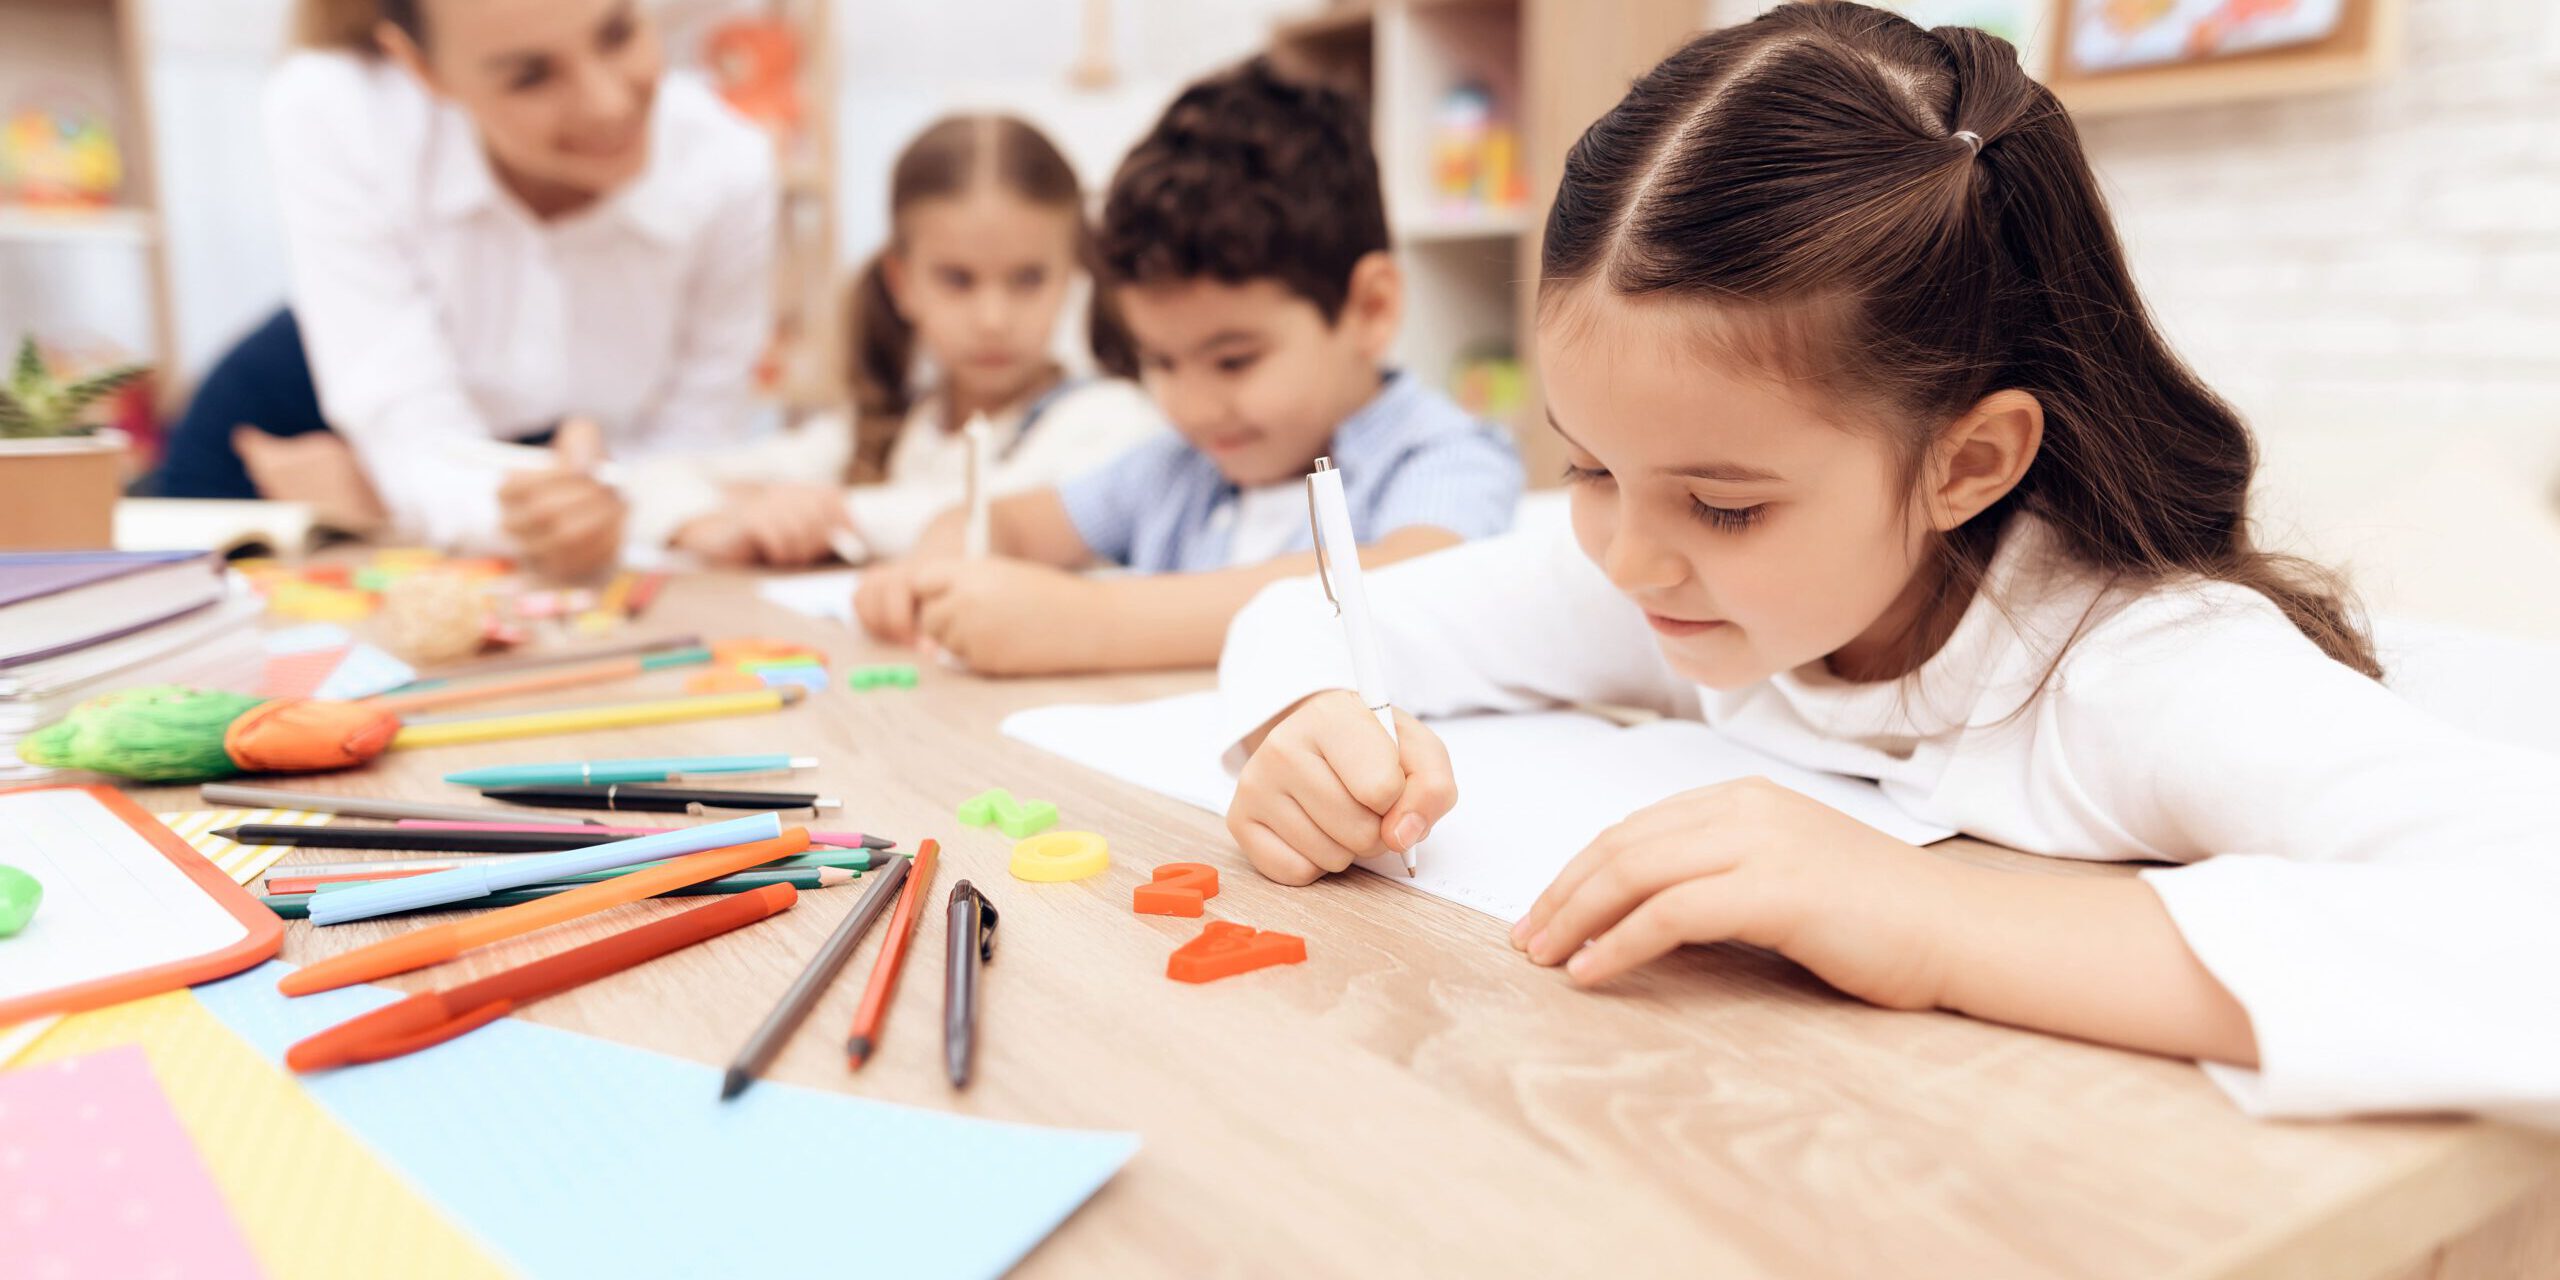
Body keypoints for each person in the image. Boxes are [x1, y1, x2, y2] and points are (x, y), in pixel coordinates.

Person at [1215, 2, 2560, 1126]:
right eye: (1586, 468)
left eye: (1725, 505)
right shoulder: (1670, 570)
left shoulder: (2137, 670)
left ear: (1968, 464)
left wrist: (1928, 923)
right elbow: (1322, 613)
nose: (1627, 554)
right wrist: (1313, 722)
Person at [853, 58, 1522, 675]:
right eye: (1161, 361)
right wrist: (940, 562)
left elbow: (1404, 585)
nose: (1194, 407)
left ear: (1370, 308)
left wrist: (1092, 624)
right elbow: (1012, 523)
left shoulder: (1443, 457)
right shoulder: (1177, 469)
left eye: (1233, 361)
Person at [153, 0, 776, 579]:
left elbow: (692, 445)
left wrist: (387, 502)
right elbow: (411, 433)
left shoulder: (730, 169)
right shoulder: (337, 105)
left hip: (495, 485)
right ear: (422, 68)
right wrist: (557, 510)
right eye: (530, 76)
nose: (607, 102)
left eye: (616, 33)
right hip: (293, 439)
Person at [665, 114, 1162, 568]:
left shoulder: (1111, 419)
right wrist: (713, 521)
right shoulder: (887, 427)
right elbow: (655, 480)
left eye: (1028, 279)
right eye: (958, 280)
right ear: (902, 283)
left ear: (1072, 275)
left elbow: (1005, 515)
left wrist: (827, 513)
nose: (993, 319)